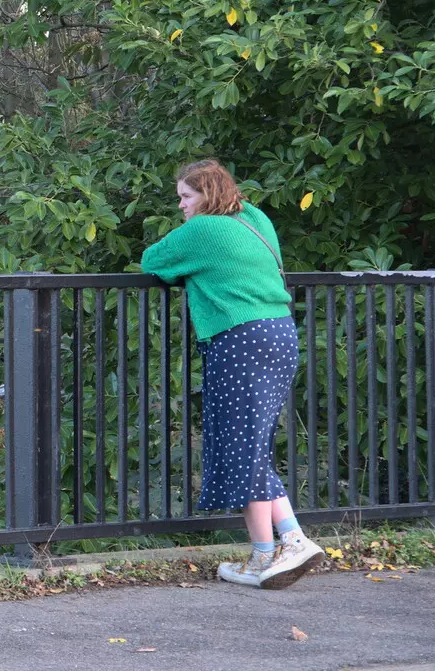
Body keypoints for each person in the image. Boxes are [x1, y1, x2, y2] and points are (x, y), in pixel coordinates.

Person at [140, 159, 324, 589]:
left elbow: (154, 260)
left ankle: (274, 550)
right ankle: (283, 543)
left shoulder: (203, 229)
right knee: (252, 441)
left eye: (187, 197)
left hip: (239, 339)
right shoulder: (254, 217)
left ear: (207, 194)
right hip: (279, 333)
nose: (182, 206)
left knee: (241, 443)